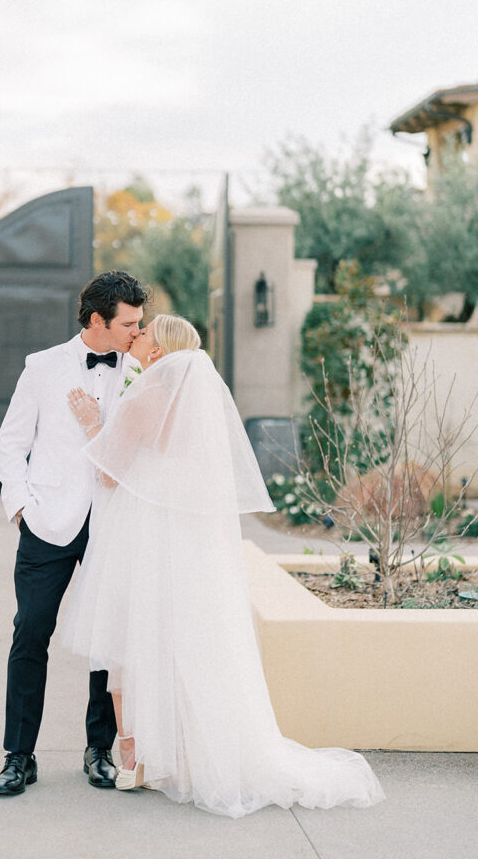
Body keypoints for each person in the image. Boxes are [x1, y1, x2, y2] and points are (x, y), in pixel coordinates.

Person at [62, 314, 385, 818]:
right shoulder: (199, 406)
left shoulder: (146, 395)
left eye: (145, 332)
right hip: (186, 539)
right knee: (183, 642)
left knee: (128, 640)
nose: (138, 334)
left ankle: (136, 761)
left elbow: (111, 477)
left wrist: (91, 425)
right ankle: (187, 754)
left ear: (160, 349)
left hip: (143, 536)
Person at [0, 270, 150, 796]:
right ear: (97, 319)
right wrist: (20, 507)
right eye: (129, 323)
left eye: (140, 322)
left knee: (108, 643)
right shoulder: (42, 367)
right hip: (48, 522)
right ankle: (19, 756)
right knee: (30, 633)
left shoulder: (145, 370)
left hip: (114, 524)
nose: (137, 330)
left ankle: (98, 750)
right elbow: (12, 442)